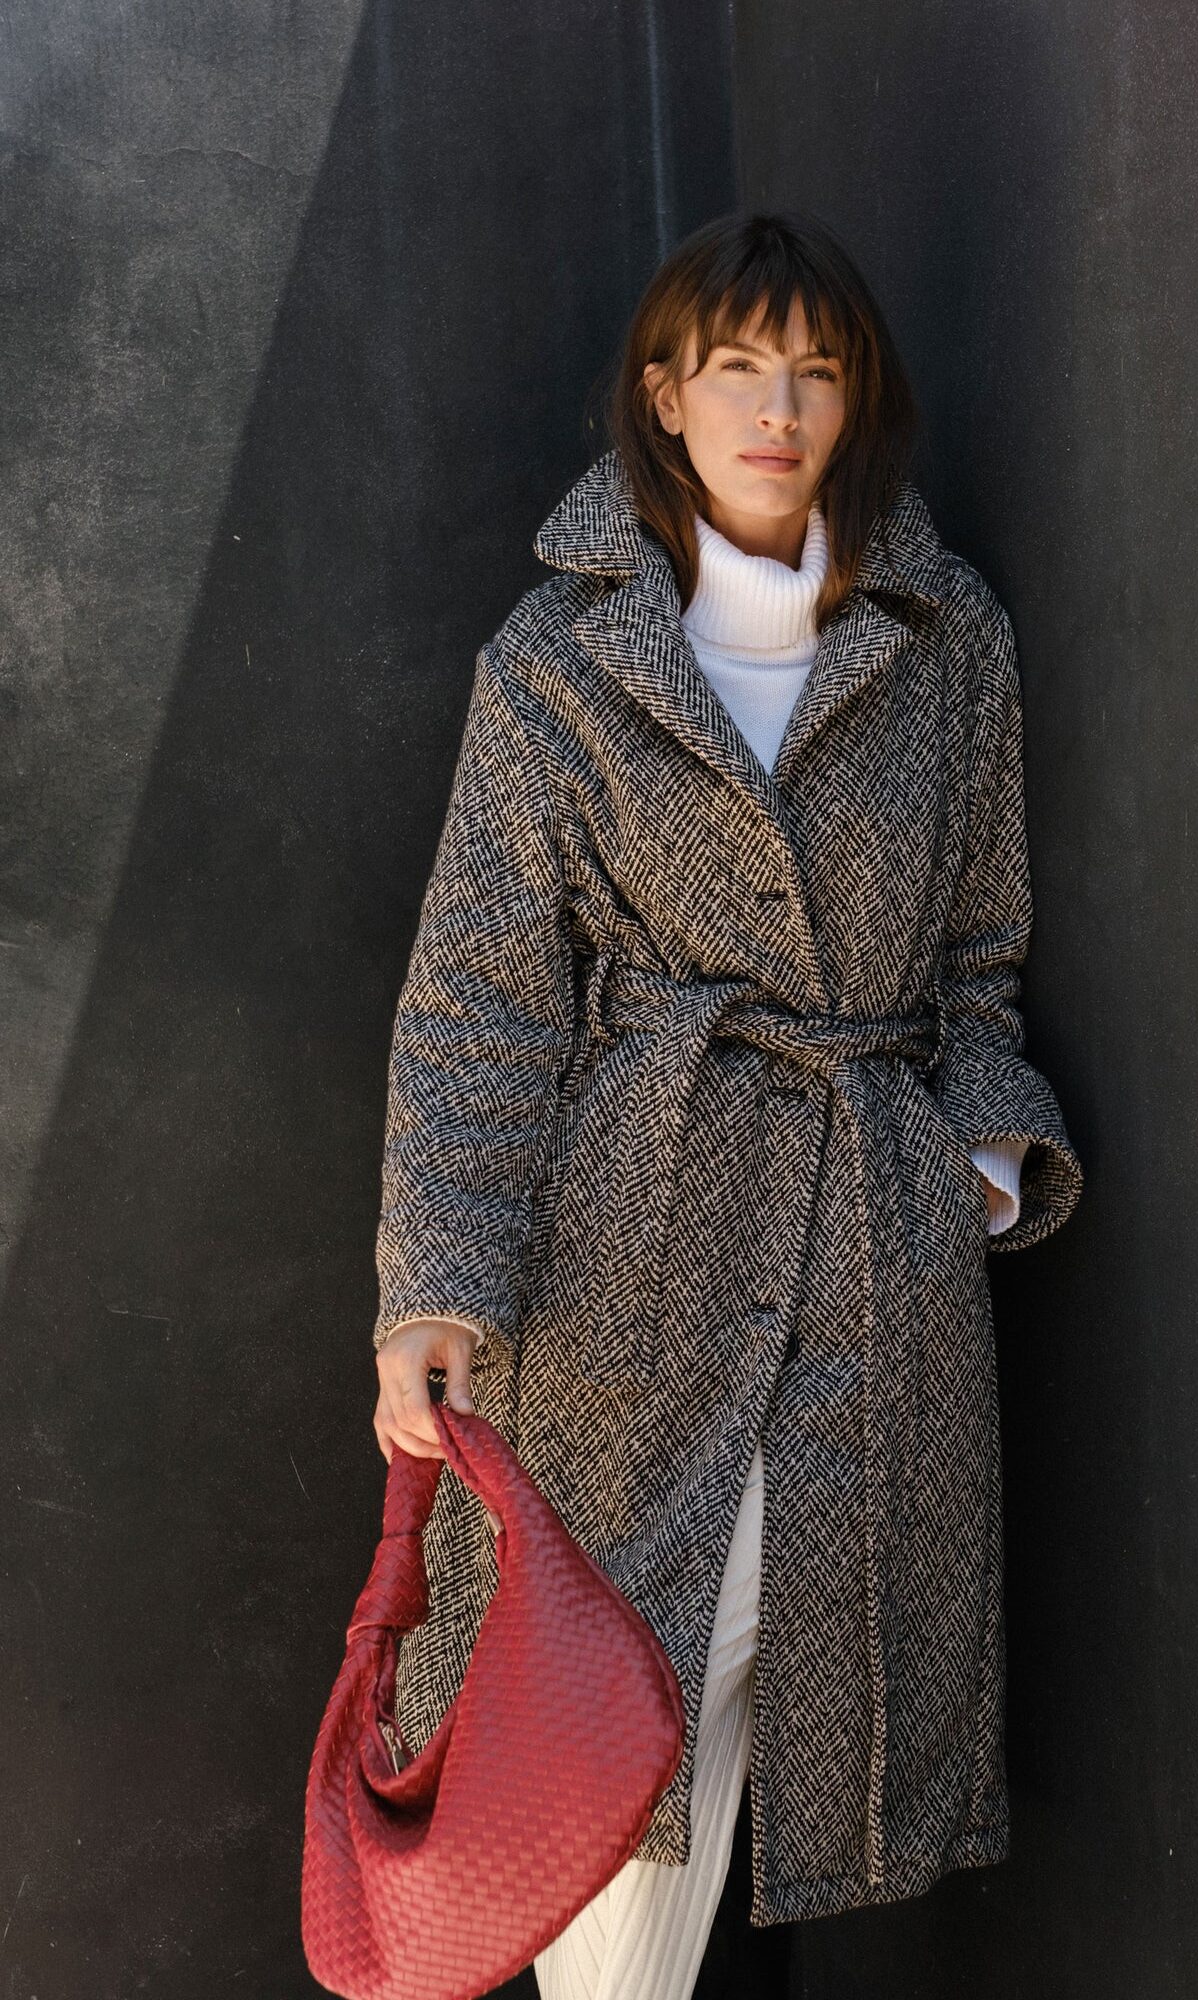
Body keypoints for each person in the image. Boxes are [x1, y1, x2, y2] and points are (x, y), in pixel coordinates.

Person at [368, 209, 1083, 1999]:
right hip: (625, 1275)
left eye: (817, 372)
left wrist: (976, 1166)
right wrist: (432, 1284)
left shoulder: (947, 635)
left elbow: (985, 949)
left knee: (782, 1691)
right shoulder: (557, 664)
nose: (779, 405)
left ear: (855, 407)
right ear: (667, 397)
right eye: (739, 368)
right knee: (606, 1741)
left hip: (874, 1265)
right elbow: (481, 1000)